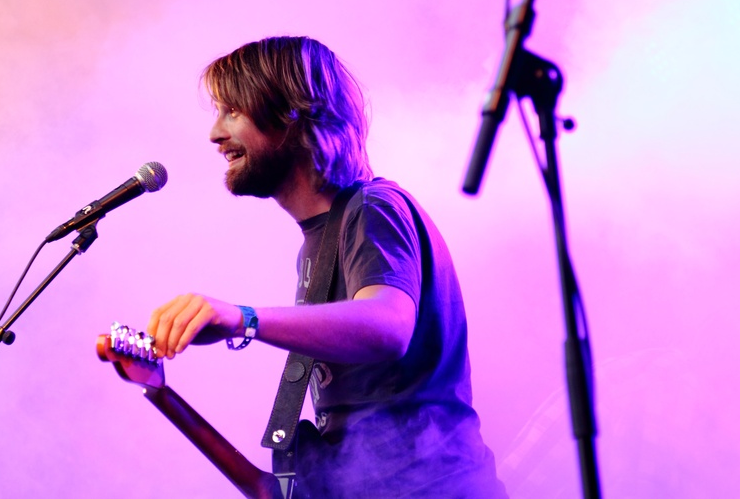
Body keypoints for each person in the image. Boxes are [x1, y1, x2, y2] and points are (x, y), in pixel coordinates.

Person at [147, 36, 507, 498]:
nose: (215, 134)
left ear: (292, 116)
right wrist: (158, 391)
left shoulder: (374, 207)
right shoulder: (317, 246)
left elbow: (388, 326)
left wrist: (244, 319)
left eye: (232, 111)